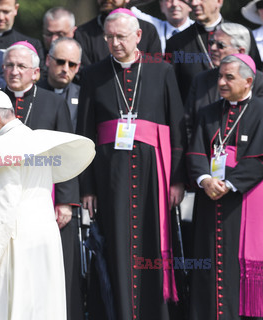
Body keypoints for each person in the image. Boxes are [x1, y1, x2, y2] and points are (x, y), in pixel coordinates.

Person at [0, 89, 96, 320]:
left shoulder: (3, 153)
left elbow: (1, 210)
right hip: (44, 241)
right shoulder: (35, 143)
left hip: (14, 245)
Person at [77, 9, 186, 319]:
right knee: (117, 245)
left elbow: (176, 126)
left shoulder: (161, 71)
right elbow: (84, 133)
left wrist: (177, 179)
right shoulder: (94, 74)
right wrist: (87, 186)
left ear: (138, 36)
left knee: (152, 242)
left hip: (154, 174)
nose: (114, 43)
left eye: (120, 37)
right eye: (108, 37)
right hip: (110, 175)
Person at [3, 40, 83, 319]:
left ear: (36, 72)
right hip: (5, 199)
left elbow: (65, 154)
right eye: (9, 65)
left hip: (44, 199)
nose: (14, 71)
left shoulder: (53, 103)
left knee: (47, 269)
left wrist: (65, 201)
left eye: (21, 66)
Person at [187, 53, 263, 320]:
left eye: (228, 77)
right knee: (208, 269)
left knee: (235, 270)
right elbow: (195, 153)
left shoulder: (260, 111)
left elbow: (258, 158)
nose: (220, 82)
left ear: (248, 81)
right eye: (220, 76)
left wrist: (229, 184)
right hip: (209, 200)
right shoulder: (208, 112)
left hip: (242, 202)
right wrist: (205, 180)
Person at [166, 0, 262, 103]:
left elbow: (256, 79)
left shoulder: (243, 34)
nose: (194, 3)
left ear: (219, 1)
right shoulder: (176, 43)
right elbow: (171, 91)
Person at [186, 22, 263, 143]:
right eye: (212, 43)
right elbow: (188, 125)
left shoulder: (260, 82)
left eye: (220, 45)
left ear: (241, 51)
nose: (213, 48)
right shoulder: (200, 79)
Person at [74, 0, 161, 68]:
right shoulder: (82, 34)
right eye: (109, 36)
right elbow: (84, 74)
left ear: (138, 35)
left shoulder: (148, 31)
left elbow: (155, 70)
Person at [0, 0, 45, 67]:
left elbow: (38, 75)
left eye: (6, 12)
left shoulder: (32, 45)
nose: (0, 17)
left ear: (16, 9)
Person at [38, 37, 81, 132]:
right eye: (60, 62)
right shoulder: (35, 92)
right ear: (48, 60)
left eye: (72, 64)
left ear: (78, 67)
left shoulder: (84, 96)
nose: (65, 69)